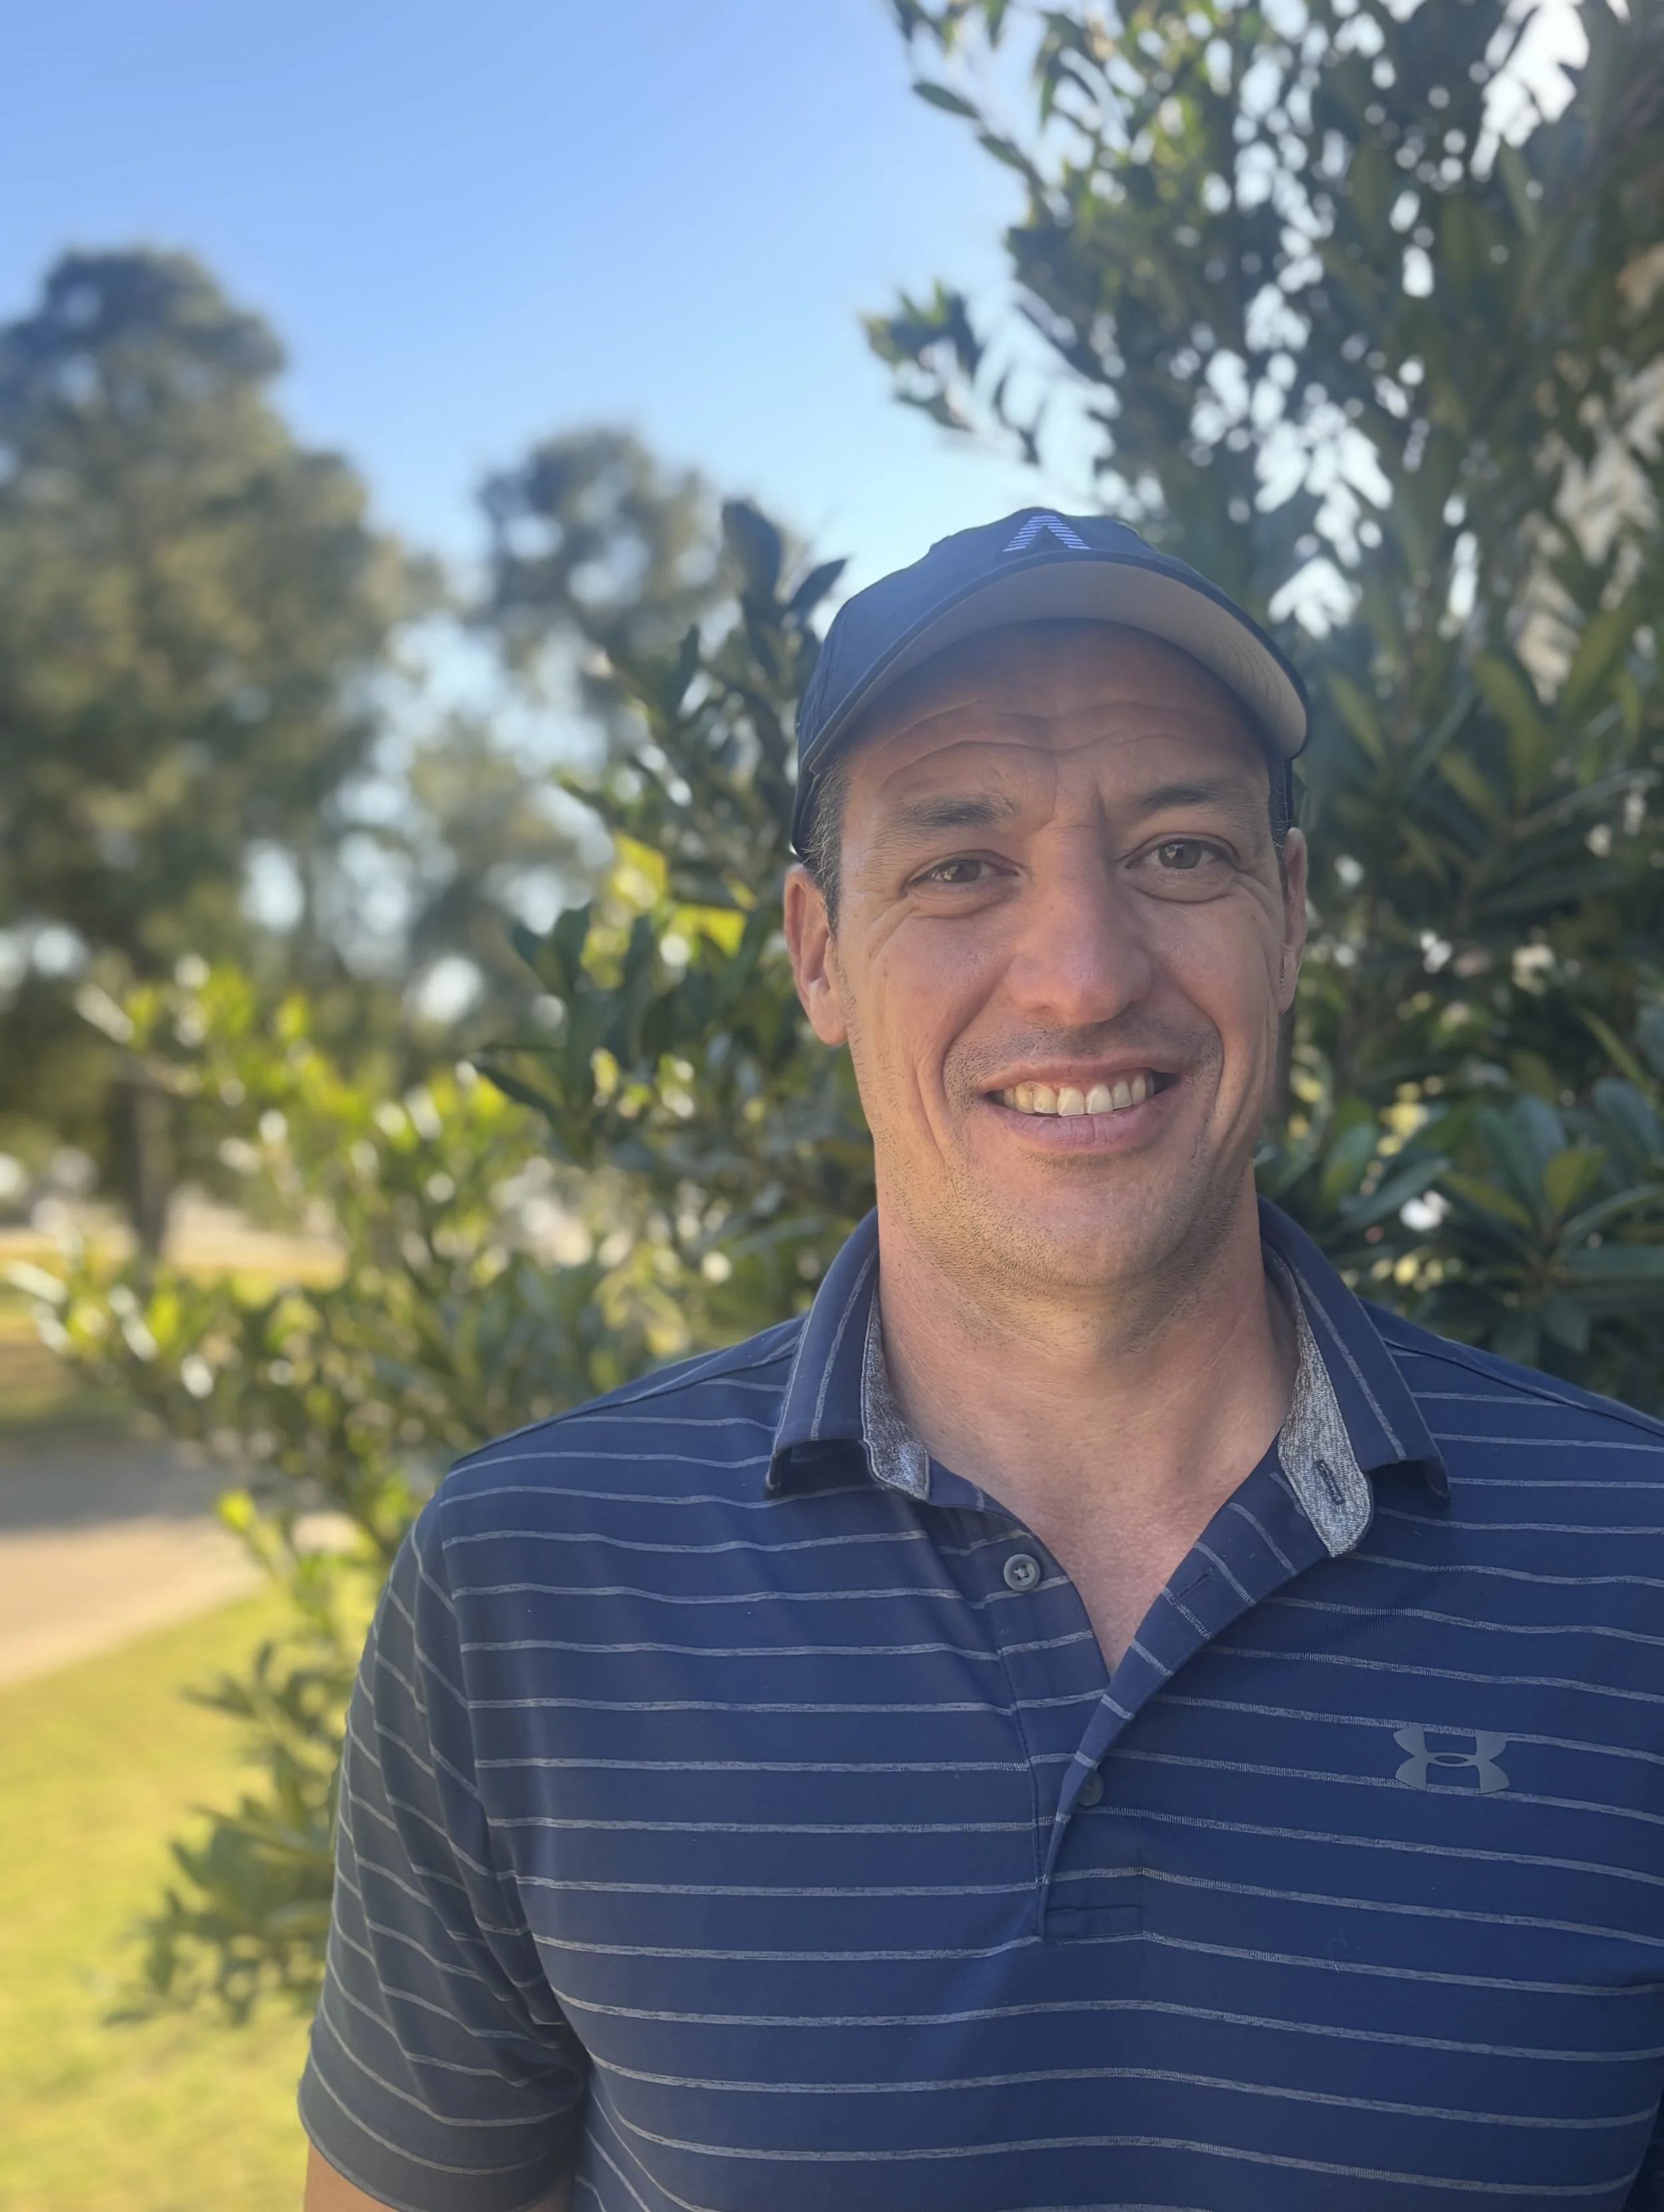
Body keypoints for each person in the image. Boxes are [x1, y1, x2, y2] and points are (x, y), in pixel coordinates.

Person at [301, 510, 1664, 2212]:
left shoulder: (1631, 1562)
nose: (1081, 976)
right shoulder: (531, 1581)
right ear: (816, 952)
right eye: (958, 866)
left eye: (1179, 851)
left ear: (1288, 915)